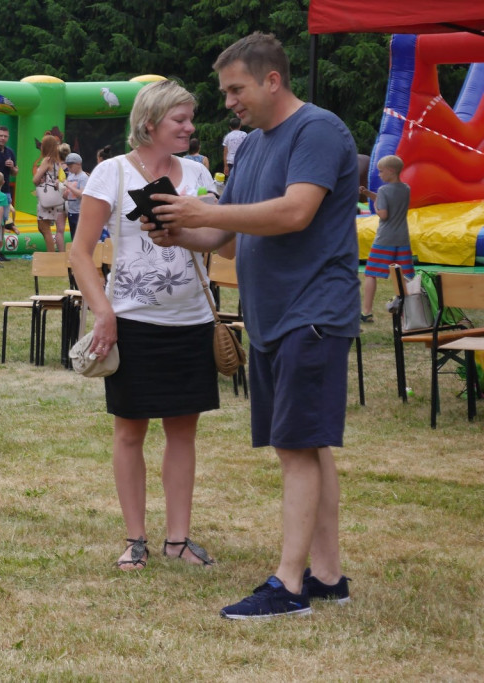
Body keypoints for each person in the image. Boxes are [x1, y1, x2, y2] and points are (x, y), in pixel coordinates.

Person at [151, 32, 359, 619]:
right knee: (306, 444)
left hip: (313, 310)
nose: (230, 102)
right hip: (274, 317)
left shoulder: (317, 130)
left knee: (296, 445)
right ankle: (327, 575)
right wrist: (177, 228)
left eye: (236, 89)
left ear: (273, 80)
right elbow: (220, 238)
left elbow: (296, 211)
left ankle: (289, 585)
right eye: (225, 91)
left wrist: (204, 211)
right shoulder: (254, 147)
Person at [69, 79, 219, 573]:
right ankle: (136, 539)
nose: (190, 128)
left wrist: (188, 229)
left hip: (193, 321)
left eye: (190, 118)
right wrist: (103, 313)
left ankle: (178, 539)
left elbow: (222, 242)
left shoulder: (197, 173)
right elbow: (79, 253)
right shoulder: (111, 173)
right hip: (133, 322)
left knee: (183, 432)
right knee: (129, 432)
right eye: (180, 120)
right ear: (150, 123)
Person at [359, 155, 412, 322]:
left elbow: (383, 214)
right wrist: (369, 194)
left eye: (381, 172)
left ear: (390, 171)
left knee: (370, 274)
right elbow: (390, 200)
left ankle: (366, 312)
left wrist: (375, 204)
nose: (380, 175)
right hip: (402, 239)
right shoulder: (406, 188)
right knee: (404, 275)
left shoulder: (383, 191)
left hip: (384, 240)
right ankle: (409, 312)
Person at [32, 134, 68, 252]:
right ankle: (51, 254)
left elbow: (35, 179)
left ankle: (51, 255)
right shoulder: (56, 162)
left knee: (44, 228)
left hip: (45, 198)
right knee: (43, 227)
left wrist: (39, 179)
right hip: (52, 198)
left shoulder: (46, 160)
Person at [0, 126, 19, 252]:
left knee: (3, 221)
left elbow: (15, 173)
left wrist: (12, 167)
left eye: (5, 136)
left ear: (8, 137)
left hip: (5, 191)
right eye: (0, 135)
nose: (3, 138)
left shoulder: (10, 152)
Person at [63, 152, 88, 240]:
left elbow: (82, 194)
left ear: (78, 164)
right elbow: (66, 196)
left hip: (79, 212)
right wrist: (65, 194)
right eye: (68, 166)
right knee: (73, 236)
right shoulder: (70, 176)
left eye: (71, 165)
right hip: (71, 211)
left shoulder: (83, 177)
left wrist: (68, 186)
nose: (69, 168)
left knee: (80, 238)